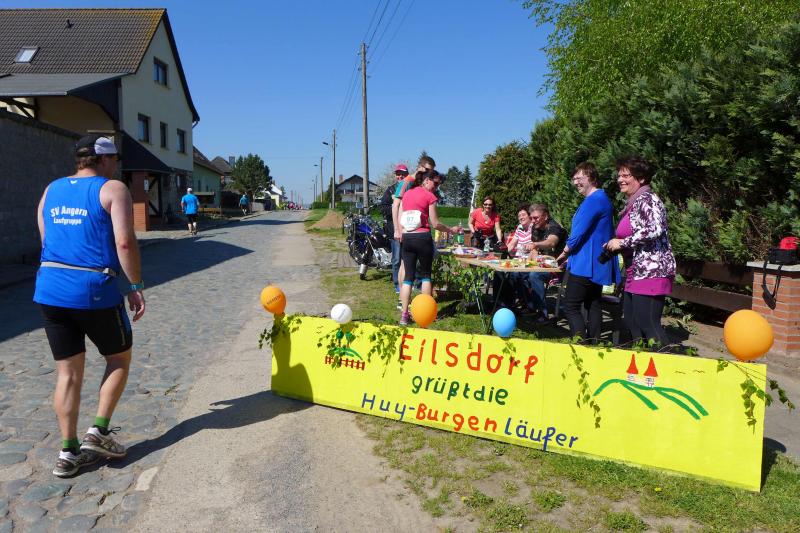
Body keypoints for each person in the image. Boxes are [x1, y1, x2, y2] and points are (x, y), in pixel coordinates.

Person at [33, 134, 146, 478]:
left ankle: (67, 453)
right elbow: (124, 242)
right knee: (119, 358)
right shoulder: (113, 189)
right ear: (104, 159)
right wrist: (135, 286)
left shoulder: (51, 190)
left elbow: (46, 238)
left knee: (68, 373)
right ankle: (98, 432)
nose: (116, 166)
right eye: (115, 160)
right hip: (94, 291)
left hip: (51, 290)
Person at [604, 156, 676, 348]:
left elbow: (655, 228)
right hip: (635, 272)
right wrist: (615, 244)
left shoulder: (648, 199)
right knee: (632, 322)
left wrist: (623, 242)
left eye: (626, 175)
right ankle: (640, 363)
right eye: (619, 175)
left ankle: (664, 361)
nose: (620, 179)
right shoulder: (634, 203)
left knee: (648, 323)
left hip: (651, 271)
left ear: (641, 178)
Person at [556, 162, 620, 342]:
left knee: (571, 305)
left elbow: (578, 233)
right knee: (593, 303)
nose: (576, 182)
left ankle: (580, 343)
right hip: (596, 263)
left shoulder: (594, 200)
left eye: (579, 178)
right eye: (574, 179)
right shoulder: (602, 198)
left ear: (591, 177)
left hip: (586, 264)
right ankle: (594, 343)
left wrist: (565, 252)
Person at [397, 168, 456, 326]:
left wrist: (401, 233)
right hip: (423, 238)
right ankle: (426, 313)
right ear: (427, 180)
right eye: (435, 184)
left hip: (407, 237)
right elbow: (435, 223)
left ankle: (404, 315)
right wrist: (450, 230)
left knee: (408, 277)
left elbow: (400, 216)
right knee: (425, 276)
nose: (436, 187)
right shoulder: (430, 196)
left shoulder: (407, 194)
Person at [393, 156, 435, 307]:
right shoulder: (408, 181)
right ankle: (402, 300)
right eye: (428, 169)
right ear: (421, 167)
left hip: (412, 231)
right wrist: (398, 229)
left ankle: (405, 301)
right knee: (404, 266)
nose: (430, 173)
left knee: (406, 266)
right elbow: (396, 206)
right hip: (406, 229)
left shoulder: (419, 182)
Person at [522, 203, 566, 319]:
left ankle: (542, 313)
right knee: (517, 273)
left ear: (545, 216)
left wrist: (536, 245)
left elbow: (551, 242)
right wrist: (526, 264)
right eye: (531, 218)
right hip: (543, 265)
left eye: (536, 218)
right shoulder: (535, 228)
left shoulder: (554, 227)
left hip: (558, 267)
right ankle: (529, 306)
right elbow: (534, 250)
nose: (533, 221)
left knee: (534, 275)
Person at [379, 164, 409, 292]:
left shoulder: (411, 189)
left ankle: (408, 282)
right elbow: (382, 208)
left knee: (407, 259)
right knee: (396, 259)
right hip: (394, 230)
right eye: (398, 174)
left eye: (402, 174)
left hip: (409, 230)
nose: (400, 176)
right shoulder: (390, 190)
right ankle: (397, 284)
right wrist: (395, 207)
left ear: (407, 175)